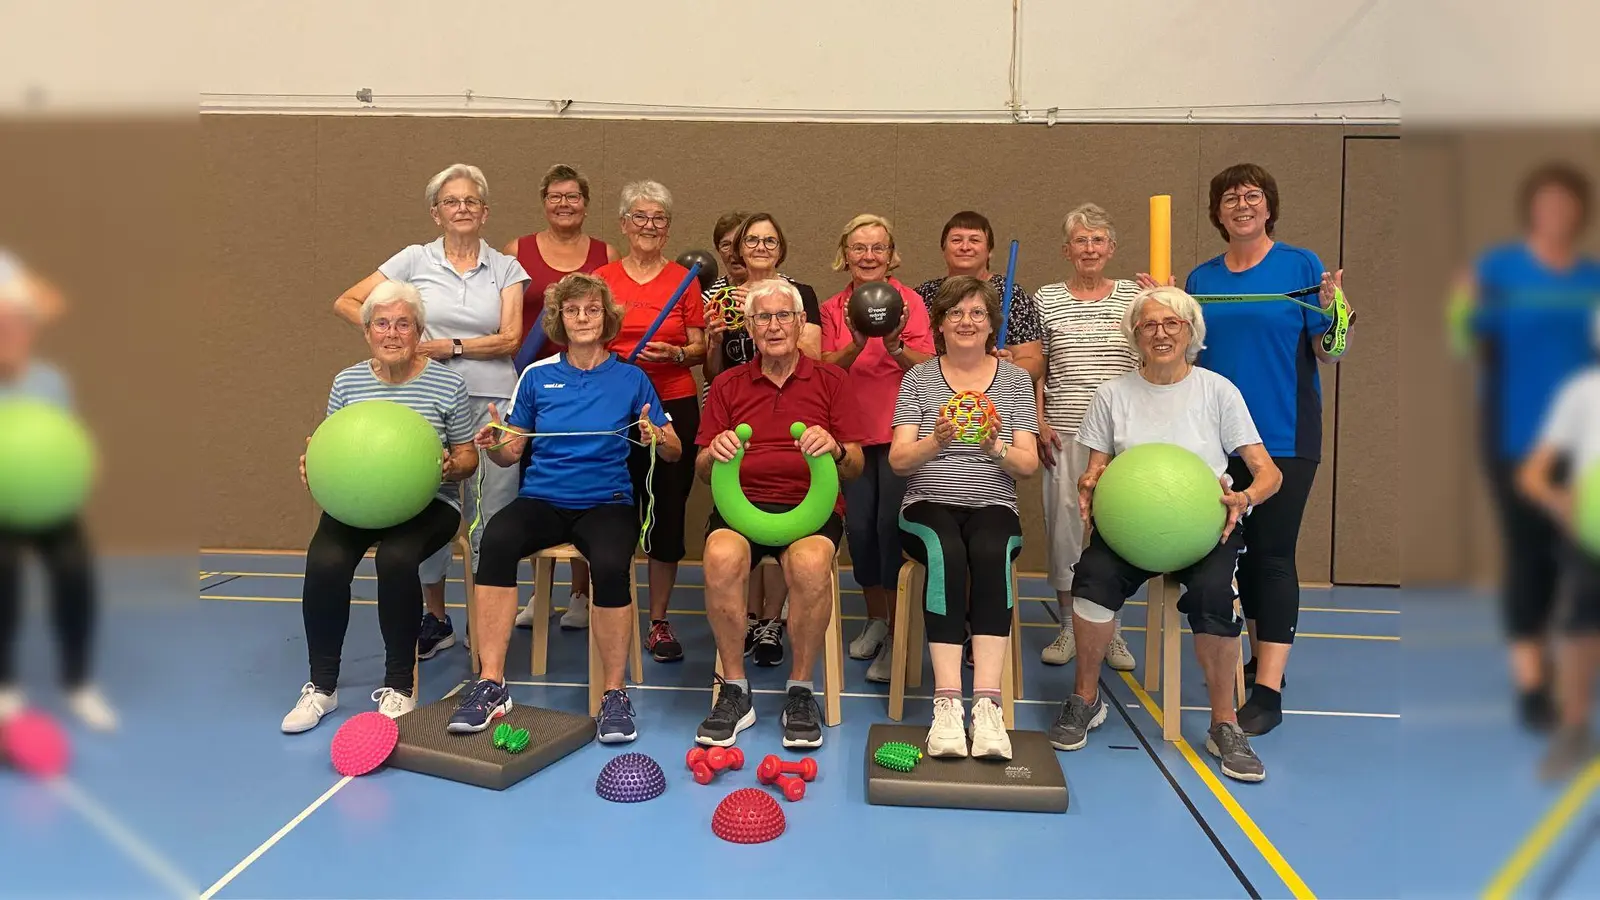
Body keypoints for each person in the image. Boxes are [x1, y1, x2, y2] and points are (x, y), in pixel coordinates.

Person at [1152, 163, 1354, 737]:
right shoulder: (1200, 278)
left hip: (1285, 435)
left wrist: (1337, 309)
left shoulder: (1301, 266)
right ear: (1216, 213)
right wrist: (1161, 304)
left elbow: (1330, 350)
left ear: (1269, 207)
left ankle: (1267, 689)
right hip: (1213, 438)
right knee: (1225, 555)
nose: (1242, 205)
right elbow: (1179, 349)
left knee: (1270, 555)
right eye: (1230, 198)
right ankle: (1254, 655)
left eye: (1253, 196)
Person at [1050, 286, 1281, 783]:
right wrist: (1089, 484)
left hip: (1204, 532)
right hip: (1130, 530)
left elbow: (1268, 473)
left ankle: (1224, 723)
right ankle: (1086, 699)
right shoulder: (1113, 393)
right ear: (1135, 335)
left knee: (1214, 595)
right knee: (1091, 577)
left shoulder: (1218, 391)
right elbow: (1094, 469)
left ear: (1190, 332)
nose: (1160, 333)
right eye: (1149, 324)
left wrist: (1245, 498)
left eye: (1171, 324)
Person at [448, 273, 682, 742]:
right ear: (560, 319)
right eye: (573, 310)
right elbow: (511, 452)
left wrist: (658, 437)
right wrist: (495, 443)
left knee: (613, 564)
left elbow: (674, 450)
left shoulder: (632, 379)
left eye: (591, 309)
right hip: (543, 500)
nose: (582, 318)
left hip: (607, 502)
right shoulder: (537, 376)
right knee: (494, 540)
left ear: (606, 317)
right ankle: (492, 681)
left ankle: (613, 693)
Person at [333, 163, 529, 661]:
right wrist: (401, 343)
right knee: (427, 510)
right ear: (435, 213)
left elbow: (510, 338)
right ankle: (436, 618)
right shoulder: (414, 259)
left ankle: (486, 623)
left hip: (493, 405)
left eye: (470, 201)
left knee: (492, 519)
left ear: (484, 212)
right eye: (451, 201)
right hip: (424, 405)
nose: (461, 209)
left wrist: (449, 346)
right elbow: (349, 301)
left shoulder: (506, 266)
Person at [283, 281, 479, 733]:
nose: (392, 333)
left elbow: (469, 456)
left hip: (429, 502)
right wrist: (313, 463)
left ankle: (399, 687)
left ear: (418, 331)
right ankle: (321, 687)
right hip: (358, 503)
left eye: (403, 324)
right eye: (382, 324)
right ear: (368, 331)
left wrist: (451, 465)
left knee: (396, 559)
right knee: (326, 561)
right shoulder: (347, 381)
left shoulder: (447, 383)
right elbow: (331, 445)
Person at [695, 279, 865, 749]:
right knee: (720, 558)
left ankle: (800, 689)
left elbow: (855, 463)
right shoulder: (727, 385)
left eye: (784, 316)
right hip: (741, 506)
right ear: (749, 327)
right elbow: (703, 471)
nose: (774, 326)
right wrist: (714, 451)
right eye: (763, 317)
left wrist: (834, 448)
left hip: (810, 509)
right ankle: (734, 689)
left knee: (811, 566)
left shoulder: (832, 381)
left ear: (800, 323)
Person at [1463, 163, 1600, 731]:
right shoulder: (1498, 270)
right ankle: (1531, 682)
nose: (1556, 213)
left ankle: (1576, 674)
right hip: (1519, 434)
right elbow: (1470, 337)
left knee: (1587, 562)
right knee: (1530, 557)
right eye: (1546, 203)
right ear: (1531, 210)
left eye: (1567, 204)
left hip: (1588, 438)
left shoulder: (1592, 276)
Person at [889, 276, 1039, 759]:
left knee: (992, 551)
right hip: (927, 506)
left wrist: (993, 444)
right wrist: (939, 440)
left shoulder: (1015, 381)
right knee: (946, 551)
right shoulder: (919, 379)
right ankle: (948, 703)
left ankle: (987, 705)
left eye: (977, 313)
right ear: (939, 325)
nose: (967, 322)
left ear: (992, 324)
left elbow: (1029, 464)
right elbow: (898, 460)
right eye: (956, 313)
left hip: (993, 503)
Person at [0, 253, 116, 731]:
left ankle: (78, 683)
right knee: (3, 573)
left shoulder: (51, 381)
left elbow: (67, 445)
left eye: (17, 327)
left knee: (74, 571)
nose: (10, 336)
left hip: (50, 506)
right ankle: (5, 684)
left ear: (30, 332)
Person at [701, 211, 823, 666]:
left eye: (769, 240)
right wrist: (715, 338)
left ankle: (773, 624)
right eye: (751, 241)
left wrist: (772, 319)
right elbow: (713, 369)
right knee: (734, 533)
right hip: (737, 405)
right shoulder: (718, 298)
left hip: (788, 409)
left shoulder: (797, 294)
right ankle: (745, 632)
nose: (759, 248)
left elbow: (807, 354)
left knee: (793, 533)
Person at [818, 214, 936, 682]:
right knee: (861, 529)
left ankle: (897, 631)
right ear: (845, 254)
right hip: (851, 437)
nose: (868, 256)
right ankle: (876, 619)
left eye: (878, 248)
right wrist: (858, 341)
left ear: (891, 255)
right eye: (859, 248)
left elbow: (929, 363)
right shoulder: (832, 308)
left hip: (900, 434)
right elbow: (825, 364)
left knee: (892, 529)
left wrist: (891, 344)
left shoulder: (911, 303)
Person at [594, 180, 706, 665]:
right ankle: (613, 608)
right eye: (639, 217)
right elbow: (586, 337)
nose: (649, 226)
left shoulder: (685, 279)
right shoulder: (603, 277)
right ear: (623, 223)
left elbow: (701, 347)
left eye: (659, 218)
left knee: (666, 511)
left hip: (673, 403)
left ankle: (658, 620)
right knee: (616, 505)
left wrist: (678, 351)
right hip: (614, 405)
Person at [503, 164, 618, 632]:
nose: (564, 204)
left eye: (573, 196)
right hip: (537, 385)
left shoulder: (605, 252)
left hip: (591, 382)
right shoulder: (518, 250)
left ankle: (579, 593)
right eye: (555, 196)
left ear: (585, 203)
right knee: (538, 484)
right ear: (544, 201)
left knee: (586, 482)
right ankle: (540, 591)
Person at [1034, 203, 1142, 669]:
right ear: (1067, 250)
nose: (1090, 248)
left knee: (1116, 531)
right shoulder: (1045, 299)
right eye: (1081, 240)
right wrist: (1037, 419)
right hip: (1064, 430)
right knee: (1065, 532)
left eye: (1099, 240)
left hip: (1122, 437)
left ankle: (1111, 629)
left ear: (1112, 248)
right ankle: (1068, 625)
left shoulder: (1136, 297)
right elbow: (1036, 366)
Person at [1518, 304, 1600, 779]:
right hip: (1589, 535)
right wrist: (1561, 502)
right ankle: (1575, 731)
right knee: (1581, 629)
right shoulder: (1581, 395)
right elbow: (1533, 475)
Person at [912, 210, 1044, 380]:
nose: (965, 247)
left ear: (989, 251)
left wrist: (1010, 369)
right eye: (956, 240)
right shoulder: (923, 295)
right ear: (943, 249)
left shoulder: (1012, 295)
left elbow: (1033, 361)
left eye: (974, 240)